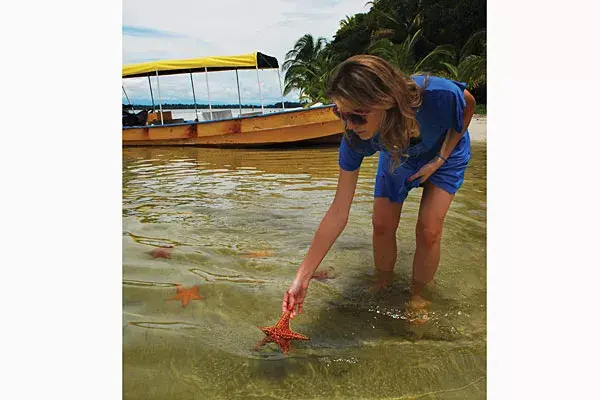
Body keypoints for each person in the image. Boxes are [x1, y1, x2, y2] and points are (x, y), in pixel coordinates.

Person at [282, 55, 476, 318]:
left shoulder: (437, 94)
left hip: (447, 153)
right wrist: (301, 278)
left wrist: (440, 158)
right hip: (396, 150)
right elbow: (339, 211)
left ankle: (418, 295)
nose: (348, 125)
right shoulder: (354, 140)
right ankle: (383, 281)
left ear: (385, 102)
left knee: (429, 229)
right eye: (340, 113)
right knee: (382, 224)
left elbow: (468, 104)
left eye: (357, 117)